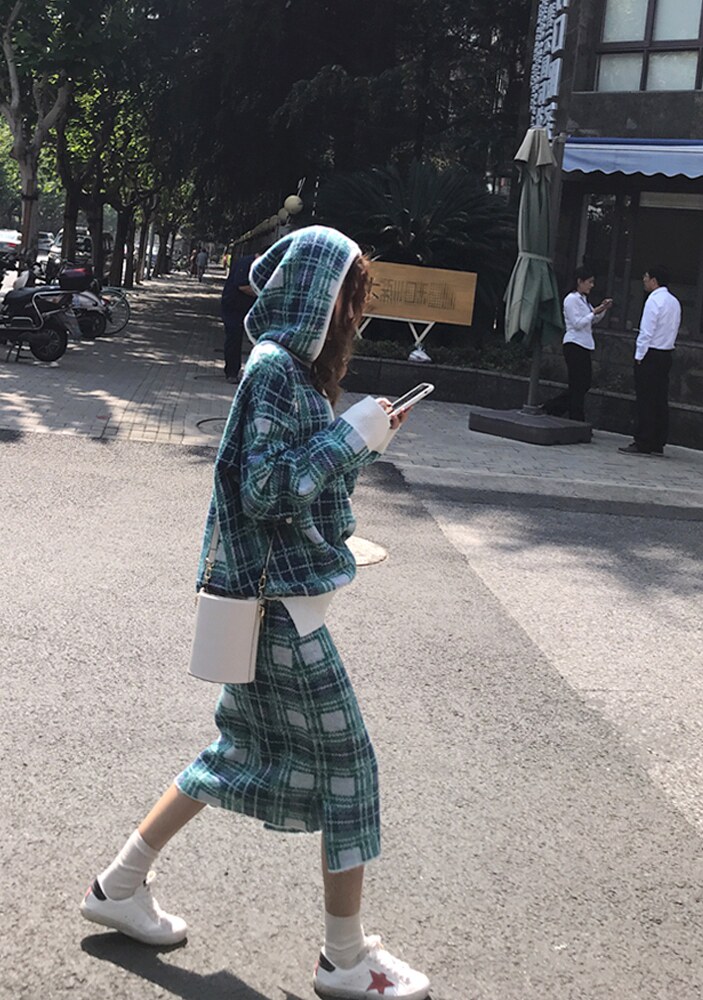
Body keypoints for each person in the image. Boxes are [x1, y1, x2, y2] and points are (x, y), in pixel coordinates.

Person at [79, 226, 431, 1000]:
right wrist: (350, 438)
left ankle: (118, 885)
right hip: (277, 608)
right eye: (348, 296)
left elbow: (300, 486)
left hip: (275, 601)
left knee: (237, 750)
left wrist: (363, 439)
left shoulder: (292, 374)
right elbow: (266, 491)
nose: (354, 314)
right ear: (314, 293)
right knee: (350, 770)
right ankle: (345, 960)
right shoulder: (275, 369)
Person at [618, 265, 680, 456]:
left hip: (651, 354)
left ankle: (643, 440)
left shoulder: (654, 301)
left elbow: (647, 331)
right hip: (666, 353)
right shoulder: (674, 302)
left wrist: (639, 355)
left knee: (645, 399)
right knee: (659, 398)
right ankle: (657, 441)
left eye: (646, 277)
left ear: (654, 280)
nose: (644, 280)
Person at [544, 266, 612, 423]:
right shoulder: (571, 299)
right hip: (574, 344)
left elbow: (592, 320)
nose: (591, 285)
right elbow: (577, 323)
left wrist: (602, 310)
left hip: (584, 344)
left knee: (583, 384)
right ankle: (574, 416)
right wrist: (594, 312)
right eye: (589, 282)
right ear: (579, 282)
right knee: (578, 384)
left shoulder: (583, 300)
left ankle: (553, 407)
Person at [220, 251, 256, 383]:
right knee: (234, 338)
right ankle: (232, 372)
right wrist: (262, 293)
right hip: (233, 307)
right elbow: (242, 286)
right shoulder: (245, 263)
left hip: (246, 307)